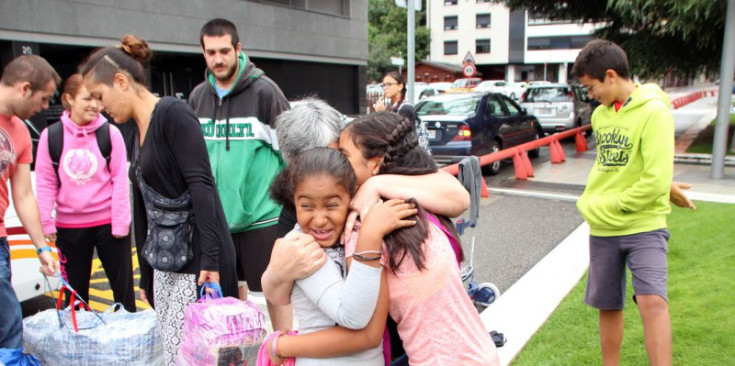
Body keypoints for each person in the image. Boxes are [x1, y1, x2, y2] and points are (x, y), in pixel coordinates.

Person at [265, 112, 499, 365]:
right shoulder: (413, 204)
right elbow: (280, 282)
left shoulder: (374, 217)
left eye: (341, 155)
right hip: (474, 352)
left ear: (375, 164)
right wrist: (275, 276)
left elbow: (364, 331)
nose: (332, 166)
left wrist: (280, 345)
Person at [80, 35, 238, 365]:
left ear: (121, 81)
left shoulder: (172, 113)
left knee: (201, 356)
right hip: (165, 265)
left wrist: (210, 261)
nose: (98, 106)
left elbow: (202, 185)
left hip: (197, 263)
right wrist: (145, 275)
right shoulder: (134, 130)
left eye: (100, 96)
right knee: (174, 353)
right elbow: (144, 207)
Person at [572, 39, 675, 366]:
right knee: (609, 304)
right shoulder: (601, 116)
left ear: (611, 76)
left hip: (644, 225)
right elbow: (618, 166)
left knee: (652, 302)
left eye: (591, 87)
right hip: (603, 230)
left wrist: (608, 205)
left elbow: (654, 179)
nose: (590, 95)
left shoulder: (655, 111)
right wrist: (599, 205)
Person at [267, 147, 418, 365]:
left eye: (331, 205)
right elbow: (352, 317)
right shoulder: (302, 247)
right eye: (306, 206)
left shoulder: (354, 230)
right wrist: (371, 236)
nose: (319, 220)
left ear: (352, 196)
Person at [188, 18, 289, 306]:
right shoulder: (197, 97)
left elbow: (292, 154)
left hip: (262, 220)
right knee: (229, 305)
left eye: (224, 51)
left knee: (270, 300)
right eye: (211, 53)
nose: (218, 59)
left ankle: (277, 351)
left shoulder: (265, 92)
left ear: (238, 49)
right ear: (203, 53)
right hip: (218, 222)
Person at [35, 74, 135, 312]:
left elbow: (120, 179)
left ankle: (131, 342)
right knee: (74, 296)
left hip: (109, 224)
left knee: (123, 293)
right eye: (87, 98)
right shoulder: (52, 137)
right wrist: (46, 224)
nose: (94, 105)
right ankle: (79, 344)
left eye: (98, 99)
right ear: (69, 99)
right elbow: (46, 183)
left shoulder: (110, 134)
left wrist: (121, 223)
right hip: (69, 227)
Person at [0, 55, 61, 349]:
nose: (46, 107)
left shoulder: (21, 132)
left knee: (9, 324)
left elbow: (23, 195)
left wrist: (41, 247)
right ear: (25, 88)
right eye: (45, 98)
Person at [372, 71, 430, 153]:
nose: (385, 88)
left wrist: (383, 113)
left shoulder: (406, 108)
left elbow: (403, 136)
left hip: (410, 158)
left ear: (400, 86)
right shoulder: (391, 107)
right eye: (384, 85)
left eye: (389, 84)